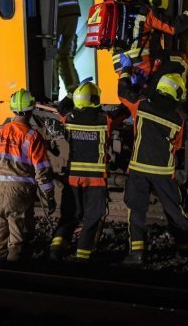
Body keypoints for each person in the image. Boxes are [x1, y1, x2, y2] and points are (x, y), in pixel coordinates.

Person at [117, 58, 188, 265]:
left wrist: (126, 70)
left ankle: (137, 253)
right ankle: (185, 248)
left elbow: (123, 92)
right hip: (163, 171)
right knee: (174, 210)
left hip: (138, 168)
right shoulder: (179, 118)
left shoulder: (141, 105)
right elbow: (177, 145)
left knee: (136, 210)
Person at [48, 80, 128, 262]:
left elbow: (62, 106)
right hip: (96, 179)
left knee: (70, 215)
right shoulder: (105, 120)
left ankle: (56, 248)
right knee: (93, 216)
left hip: (73, 177)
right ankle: (82, 255)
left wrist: (72, 91)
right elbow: (125, 110)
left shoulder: (68, 118)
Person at [0, 88, 56, 261]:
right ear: (30, 111)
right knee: (17, 242)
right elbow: (41, 170)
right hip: (20, 194)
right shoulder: (32, 136)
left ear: (13, 109)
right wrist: (49, 196)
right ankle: (13, 281)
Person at [112, 0, 188, 83]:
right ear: (155, 0)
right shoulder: (147, 12)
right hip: (142, 64)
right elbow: (173, 26)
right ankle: (184, 95)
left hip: (121, 68)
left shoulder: (122, 14)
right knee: (182, 60)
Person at [57, 0, 87, 95]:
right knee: (66, 55)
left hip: (56, 15)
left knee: (52, 56)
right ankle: (75, 91)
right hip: (72, 13)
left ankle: (52, 93)